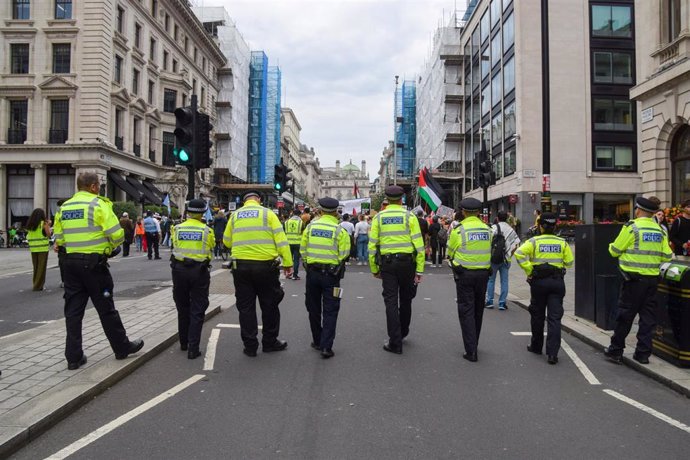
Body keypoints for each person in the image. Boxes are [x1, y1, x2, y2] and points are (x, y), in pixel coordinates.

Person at [53, 172, 143, 370]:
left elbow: (58, 238)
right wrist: (111, 246)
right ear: (94, 186)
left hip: (70, 265)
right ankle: (121, 347)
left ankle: (74, 357)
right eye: (99, 185)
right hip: (94, 266)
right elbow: (116, 234)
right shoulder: (99, 204)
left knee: (73, 312)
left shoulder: (65, 207)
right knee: (106, 309)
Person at [223, 191, 293, 357]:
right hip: (265, 267)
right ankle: (269, 342)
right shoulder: (268, 214)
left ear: (244, 201)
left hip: (241, 267)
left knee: (245, 307)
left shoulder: (235, 216)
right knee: (269, 305)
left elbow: (226, 241)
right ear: (259, 200)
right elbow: (281, 240)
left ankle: (250, 346)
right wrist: (288, 263)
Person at [604, 197, 673, 365]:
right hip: (652, 281)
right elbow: (667, 255)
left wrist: (613, 247)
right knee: (648, 318)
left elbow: (615, 250)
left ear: (638, 210)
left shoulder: (632, 227)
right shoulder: (659, 230)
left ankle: (615, 351)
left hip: (633, 281)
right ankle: (642, 354)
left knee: (625, 317)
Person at [368, 185, 425, 354]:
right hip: (407, 264)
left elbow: (373, 246)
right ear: (401, 200)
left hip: (388, 264)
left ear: (386, 200)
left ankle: (395, 341)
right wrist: (419, 270)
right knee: (406, 299)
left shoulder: (379, 217)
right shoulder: (410, 217)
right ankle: (403, 331)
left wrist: (374, 269)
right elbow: (419, 246)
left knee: (391, 301)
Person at [515, 212, 574, 364]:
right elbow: (569, 263)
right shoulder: (562, 243)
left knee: (537, 315)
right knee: (554, 318)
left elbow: (519, 253)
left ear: (540, 226)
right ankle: (552, 354)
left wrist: (530, 270)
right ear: (555, 226)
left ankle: (536, 346)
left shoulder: (534, 241)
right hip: (556, 282)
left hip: (539, 283)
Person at [300, 197, 351, 358]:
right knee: (331, 310)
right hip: (332, 276)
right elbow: (344, 254)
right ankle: (326, 347)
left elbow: (303, 250)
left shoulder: (310, 227)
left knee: (313, 308)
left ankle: (317, 340)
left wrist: (309, 263)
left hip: (313, 274)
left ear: (320, 211)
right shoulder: (339, 230)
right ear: (336, 212)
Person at [447, 198, 492, 362]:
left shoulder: (459, 230)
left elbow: (450, 252)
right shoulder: (488, 230)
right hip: (483, 275)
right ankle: (475, 343)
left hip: (465, 275)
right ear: (479, 212)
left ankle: (471, 350)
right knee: (478, 310)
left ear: (464, 212)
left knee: (466, 310)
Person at [171, 199, 214, 359]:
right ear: (203, 213)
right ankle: (193, 348)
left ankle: (183, 342)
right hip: (199, 271)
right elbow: (211, 246)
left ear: (188, 212)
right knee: (197, 309)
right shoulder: (207, 230)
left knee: (182, 307)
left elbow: (174, 246)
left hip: (179, 271)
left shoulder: (176, 228)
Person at [486, 210, 521, 310]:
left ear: (497, 218)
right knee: (504, 281)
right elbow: (516, 244)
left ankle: (489, 301)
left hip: (493, 259)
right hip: (505, 259)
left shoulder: (492, 228)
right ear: (506, 218)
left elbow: (488, 243)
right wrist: (509, 255)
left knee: (491, 280)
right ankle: (502, 303)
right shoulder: (510, 229)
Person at [26, 208, 52, 291]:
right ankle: (38, 286)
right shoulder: (44, 223)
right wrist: (49, 225)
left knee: (36, 267)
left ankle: (35, 283)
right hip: (42, 247)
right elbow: (48, 234)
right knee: (41, 267)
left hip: (33, 248)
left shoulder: (30, 224)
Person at [285, 209, 304, 280]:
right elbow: (303, 232)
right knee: (296, 259)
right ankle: (295, 275)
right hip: (297, 243)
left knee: (289, 259)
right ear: (299, 214)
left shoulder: (286, 222)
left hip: (288, 243)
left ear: (292, 214)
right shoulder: (301, 222)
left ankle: (288, 273)